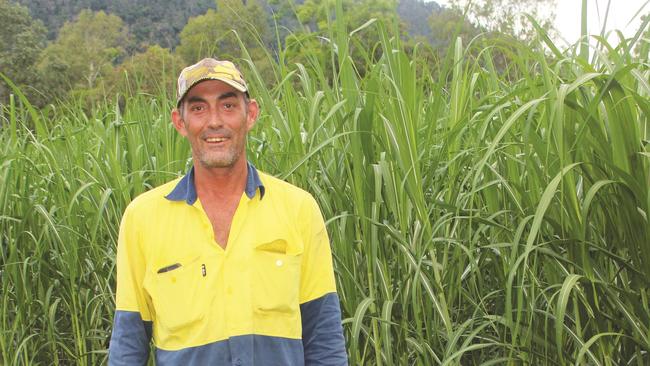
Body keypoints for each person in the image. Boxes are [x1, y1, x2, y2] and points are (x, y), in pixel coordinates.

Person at [108, 58, 347, 365]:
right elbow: (128, 345)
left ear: (251, 114)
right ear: (179, 122)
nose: (214, 121)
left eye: (228, 105)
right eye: (198, 108)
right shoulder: (142, 219)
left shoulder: (299, 209)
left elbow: (323, 338)